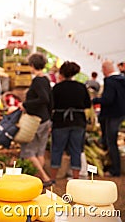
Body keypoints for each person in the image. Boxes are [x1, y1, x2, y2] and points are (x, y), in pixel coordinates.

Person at [50, 61, 91, 181]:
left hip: (60, 121)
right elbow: (87, 104)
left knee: (57, 149)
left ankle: (53, 179)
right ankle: (76, 178)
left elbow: (51, 105)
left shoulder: (57, 88)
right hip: (78, 121)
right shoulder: (81, 87)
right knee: (76, 150)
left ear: (62, 73)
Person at [18, 52, 53, 187]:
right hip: (45, 119)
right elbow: (50, 101)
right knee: (39, 151)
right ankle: (38, 180)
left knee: (28, 151)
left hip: (36, 121)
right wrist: (50, 119)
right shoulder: (46, 79)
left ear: (32, 65)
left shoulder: (37, 81)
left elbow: (44, 99)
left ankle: (44, 178)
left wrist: (25, 104)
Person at [92, 60, 125, 177]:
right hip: (121, 113)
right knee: (110, 141)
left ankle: (115, 170)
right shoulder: (122, 78)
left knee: (111, 142)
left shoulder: (110, 81)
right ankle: (111, 166)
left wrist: (95, 100)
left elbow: (108, 99)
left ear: (105, 69)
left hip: (112, 114)